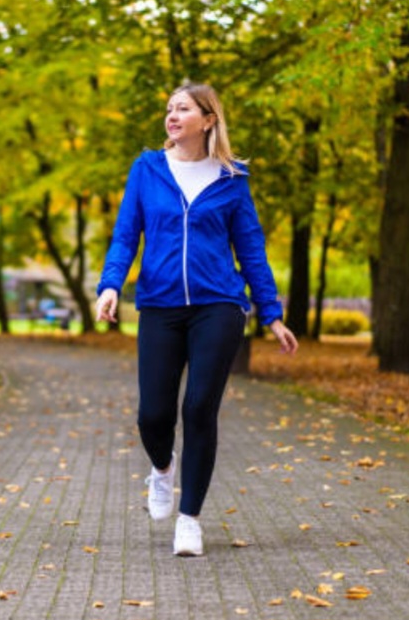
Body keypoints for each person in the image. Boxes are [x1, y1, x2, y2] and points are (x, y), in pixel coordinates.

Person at [95, 82, 298, 557]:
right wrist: (110, 285)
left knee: (200, 408)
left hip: (219, 307)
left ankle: (190, 521)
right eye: (169, 108)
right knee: (154, 414)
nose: (172, 115)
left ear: (208, 119)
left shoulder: (232, 178)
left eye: (183, 108)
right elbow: (126, 234)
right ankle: (162, 470)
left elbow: (250, 249)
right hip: (160, 306)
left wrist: (272, 314)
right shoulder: (147, 169)